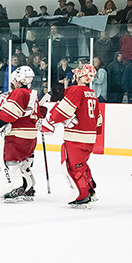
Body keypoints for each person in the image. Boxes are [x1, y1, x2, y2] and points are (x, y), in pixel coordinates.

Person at [41, 63, 102, 207]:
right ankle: (89, 190)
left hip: (76, 137)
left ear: (80, 76)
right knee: (83, 165)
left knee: (73, 166)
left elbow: (64, 110)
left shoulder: (75, 90)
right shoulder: (91, 93)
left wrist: (49, 122)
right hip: (89, 137)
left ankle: (81, 194)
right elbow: (98, 118)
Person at [0, 66, 42, 202]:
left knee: (11, 162)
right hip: (31, 136)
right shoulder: (32, 94)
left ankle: (16, 189)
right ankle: (28, 187)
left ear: (19, 79)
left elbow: (10, 113)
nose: (13, 81)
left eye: (14, 79)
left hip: (17, 135)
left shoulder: (19, 93)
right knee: (25, 163)